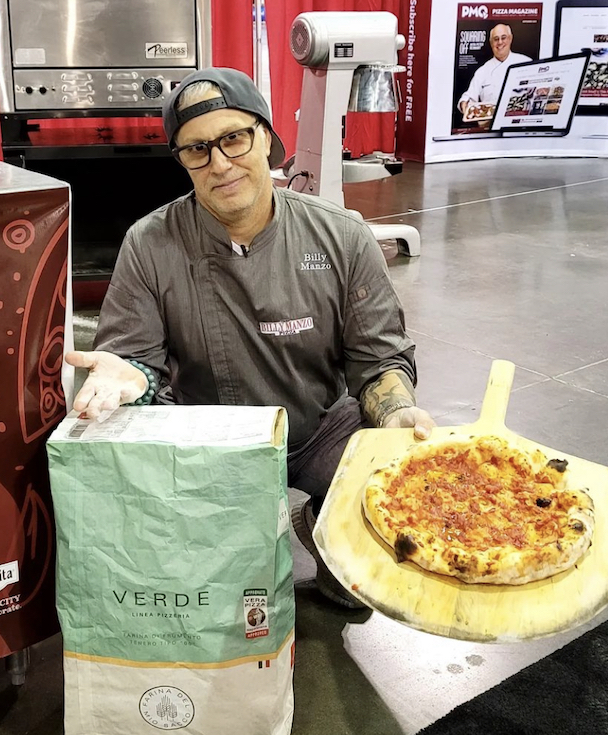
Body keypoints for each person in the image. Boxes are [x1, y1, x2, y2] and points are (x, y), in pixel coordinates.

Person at [65, 68, 435, 608]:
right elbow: (133, 363)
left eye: (234, 139)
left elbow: (380, 360)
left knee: (373, 563)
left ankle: (317, 524)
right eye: (197, 151)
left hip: (317, 429)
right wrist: (130, 375)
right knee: (215, 602)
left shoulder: (343, 237)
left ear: (266, 137)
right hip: (204, 440)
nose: (220, 163)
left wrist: (398, 413)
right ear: (181, 161)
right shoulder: (150, 244)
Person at [458, 24, 531, 116]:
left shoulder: (526, 63)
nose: (500, 42)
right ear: (491, 43)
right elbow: (469, 96)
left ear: (510, 39)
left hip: (519, 124)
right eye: (496, 39)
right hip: (489, 124)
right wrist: (465, 104)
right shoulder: (483, 71)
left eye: (503, 38)